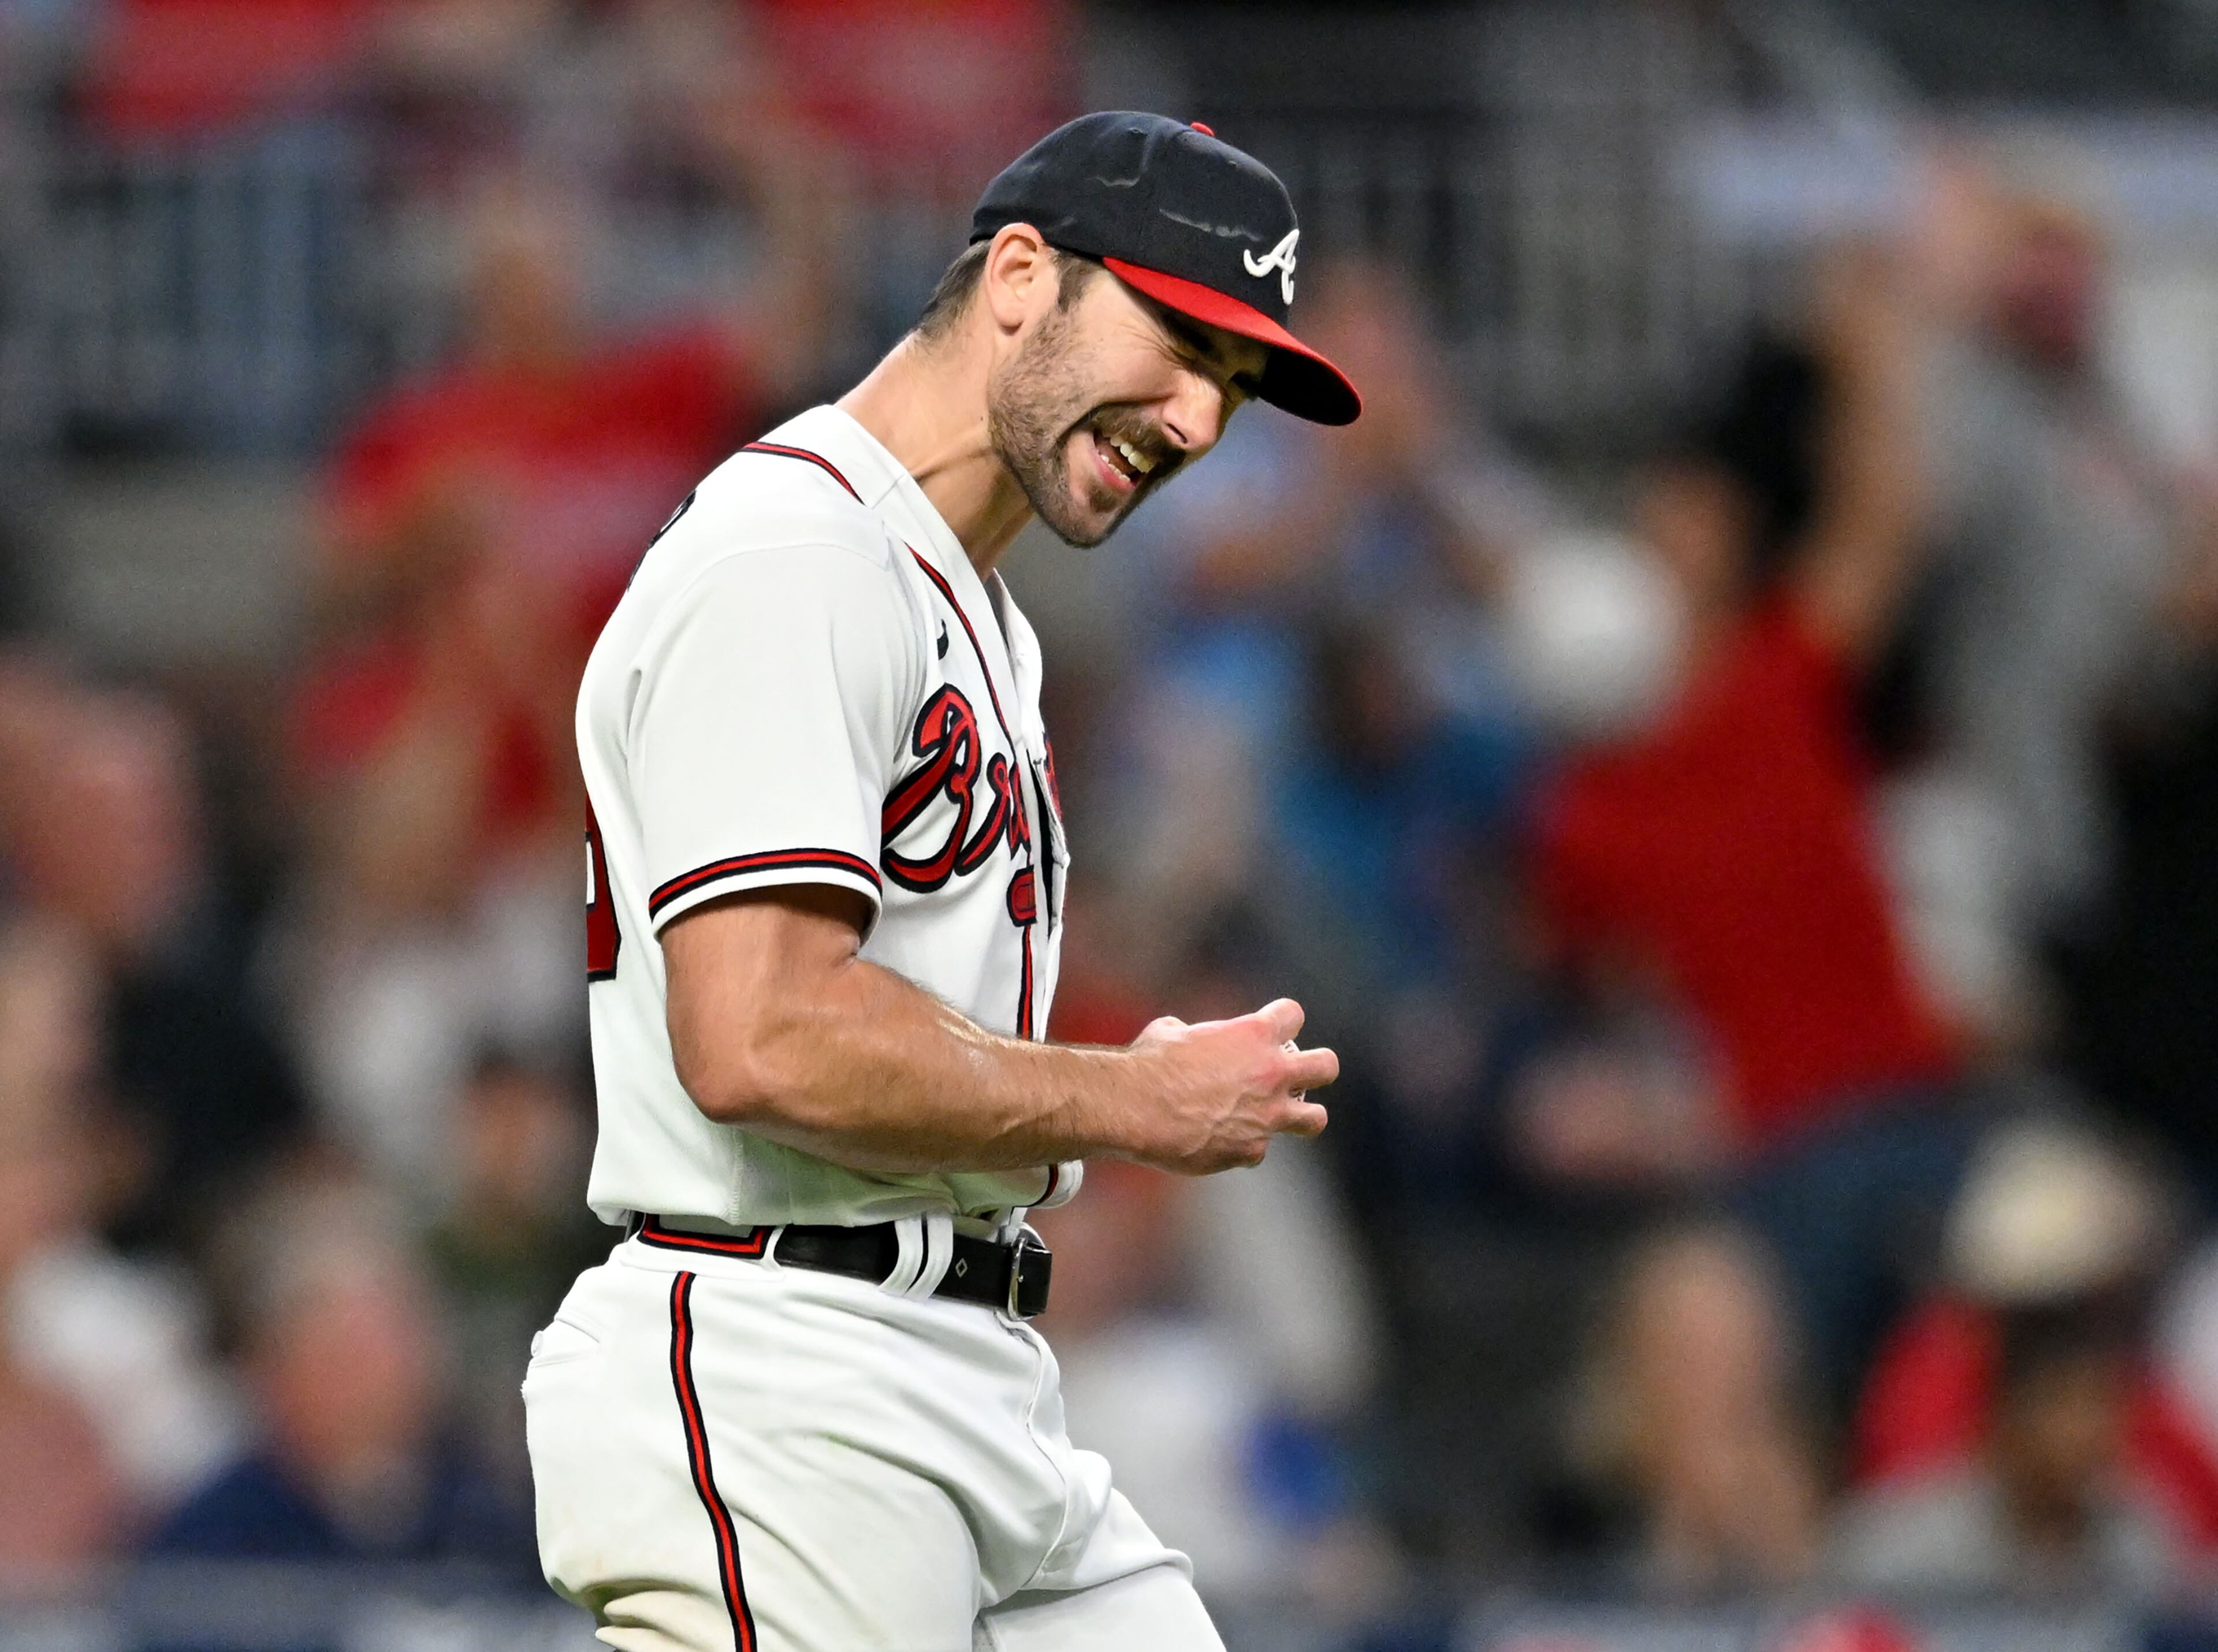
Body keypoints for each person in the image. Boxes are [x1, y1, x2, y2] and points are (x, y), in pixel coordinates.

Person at [524, 112, 1359, 1651]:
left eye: (1233, 389)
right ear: (1023, 276)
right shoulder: (799, 553)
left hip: (963, 1367)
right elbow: (757, 1033)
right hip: (784, 1361)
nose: (1195, 419)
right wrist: (1131, 1100)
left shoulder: (964, 598)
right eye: (1179, 342)